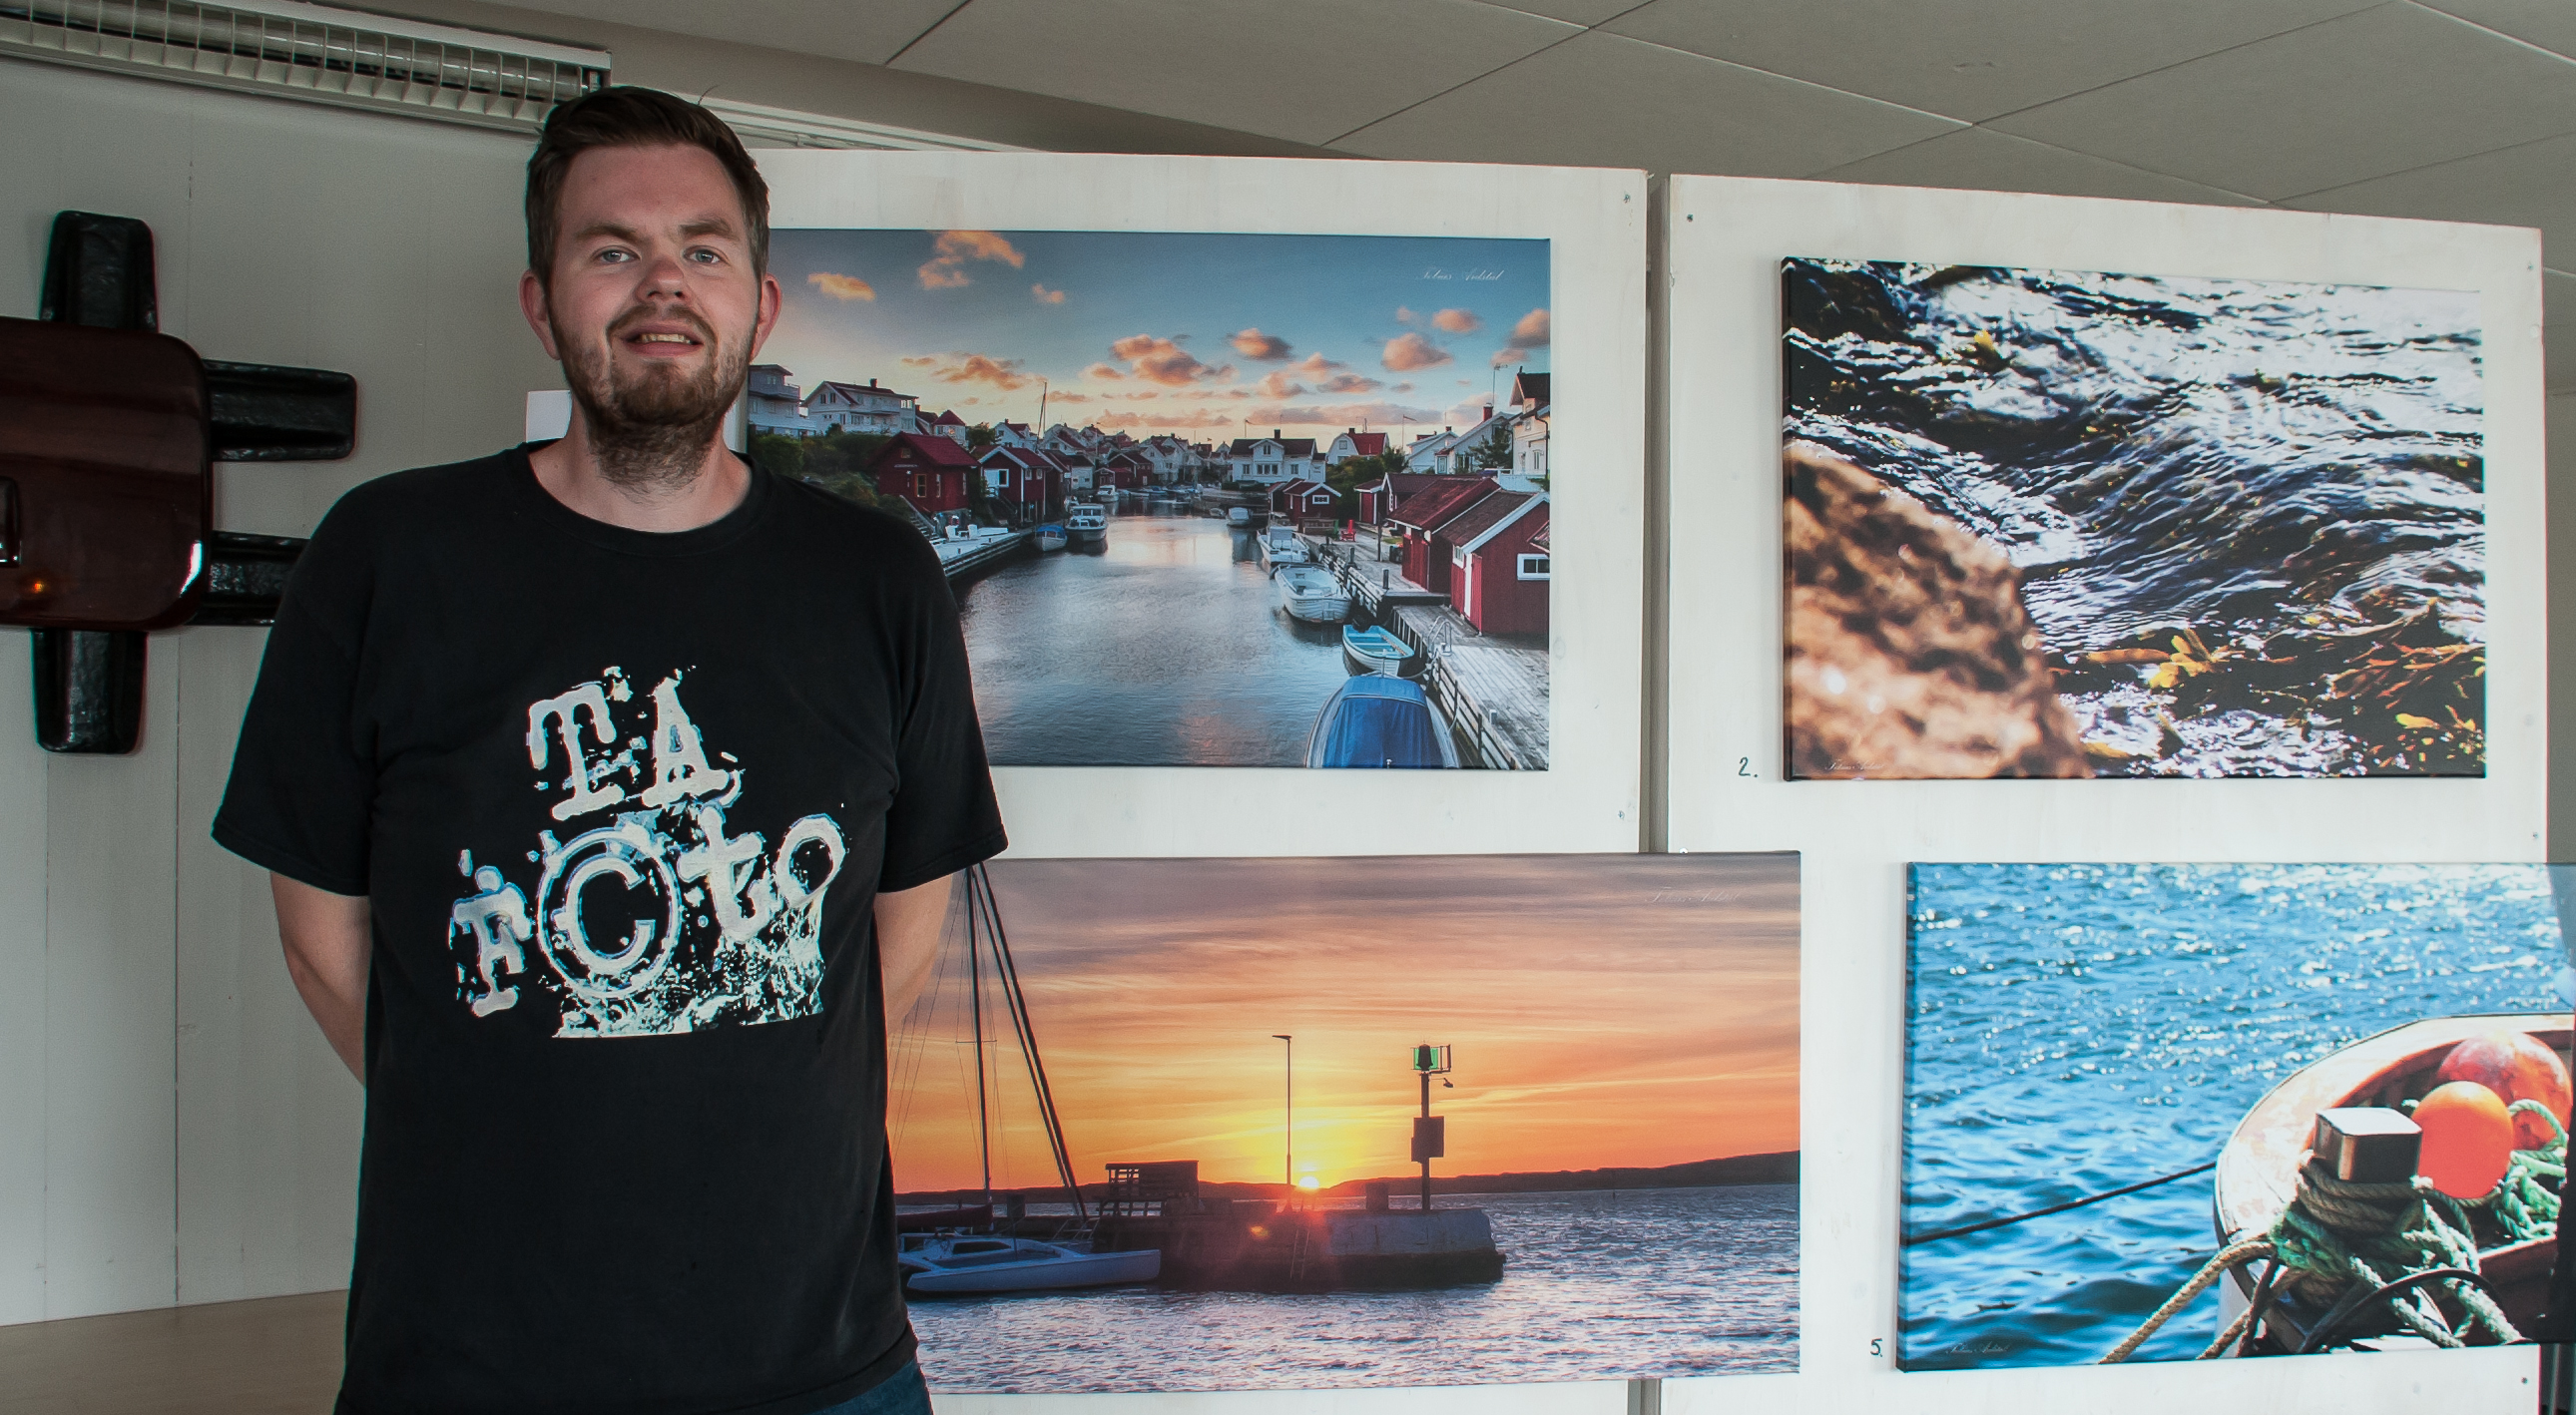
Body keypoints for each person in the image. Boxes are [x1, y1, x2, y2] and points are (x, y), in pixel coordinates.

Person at [212, 86, 1004, 1415]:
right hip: (469, 1362)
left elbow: (899, 939)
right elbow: (320, 936)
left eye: (703, 250)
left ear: (761, 306)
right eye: (610, 249)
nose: (662, 287)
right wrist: (502, 1091)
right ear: (542, 300)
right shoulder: (390, 554)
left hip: (821, 1364)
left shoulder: (876, 576)